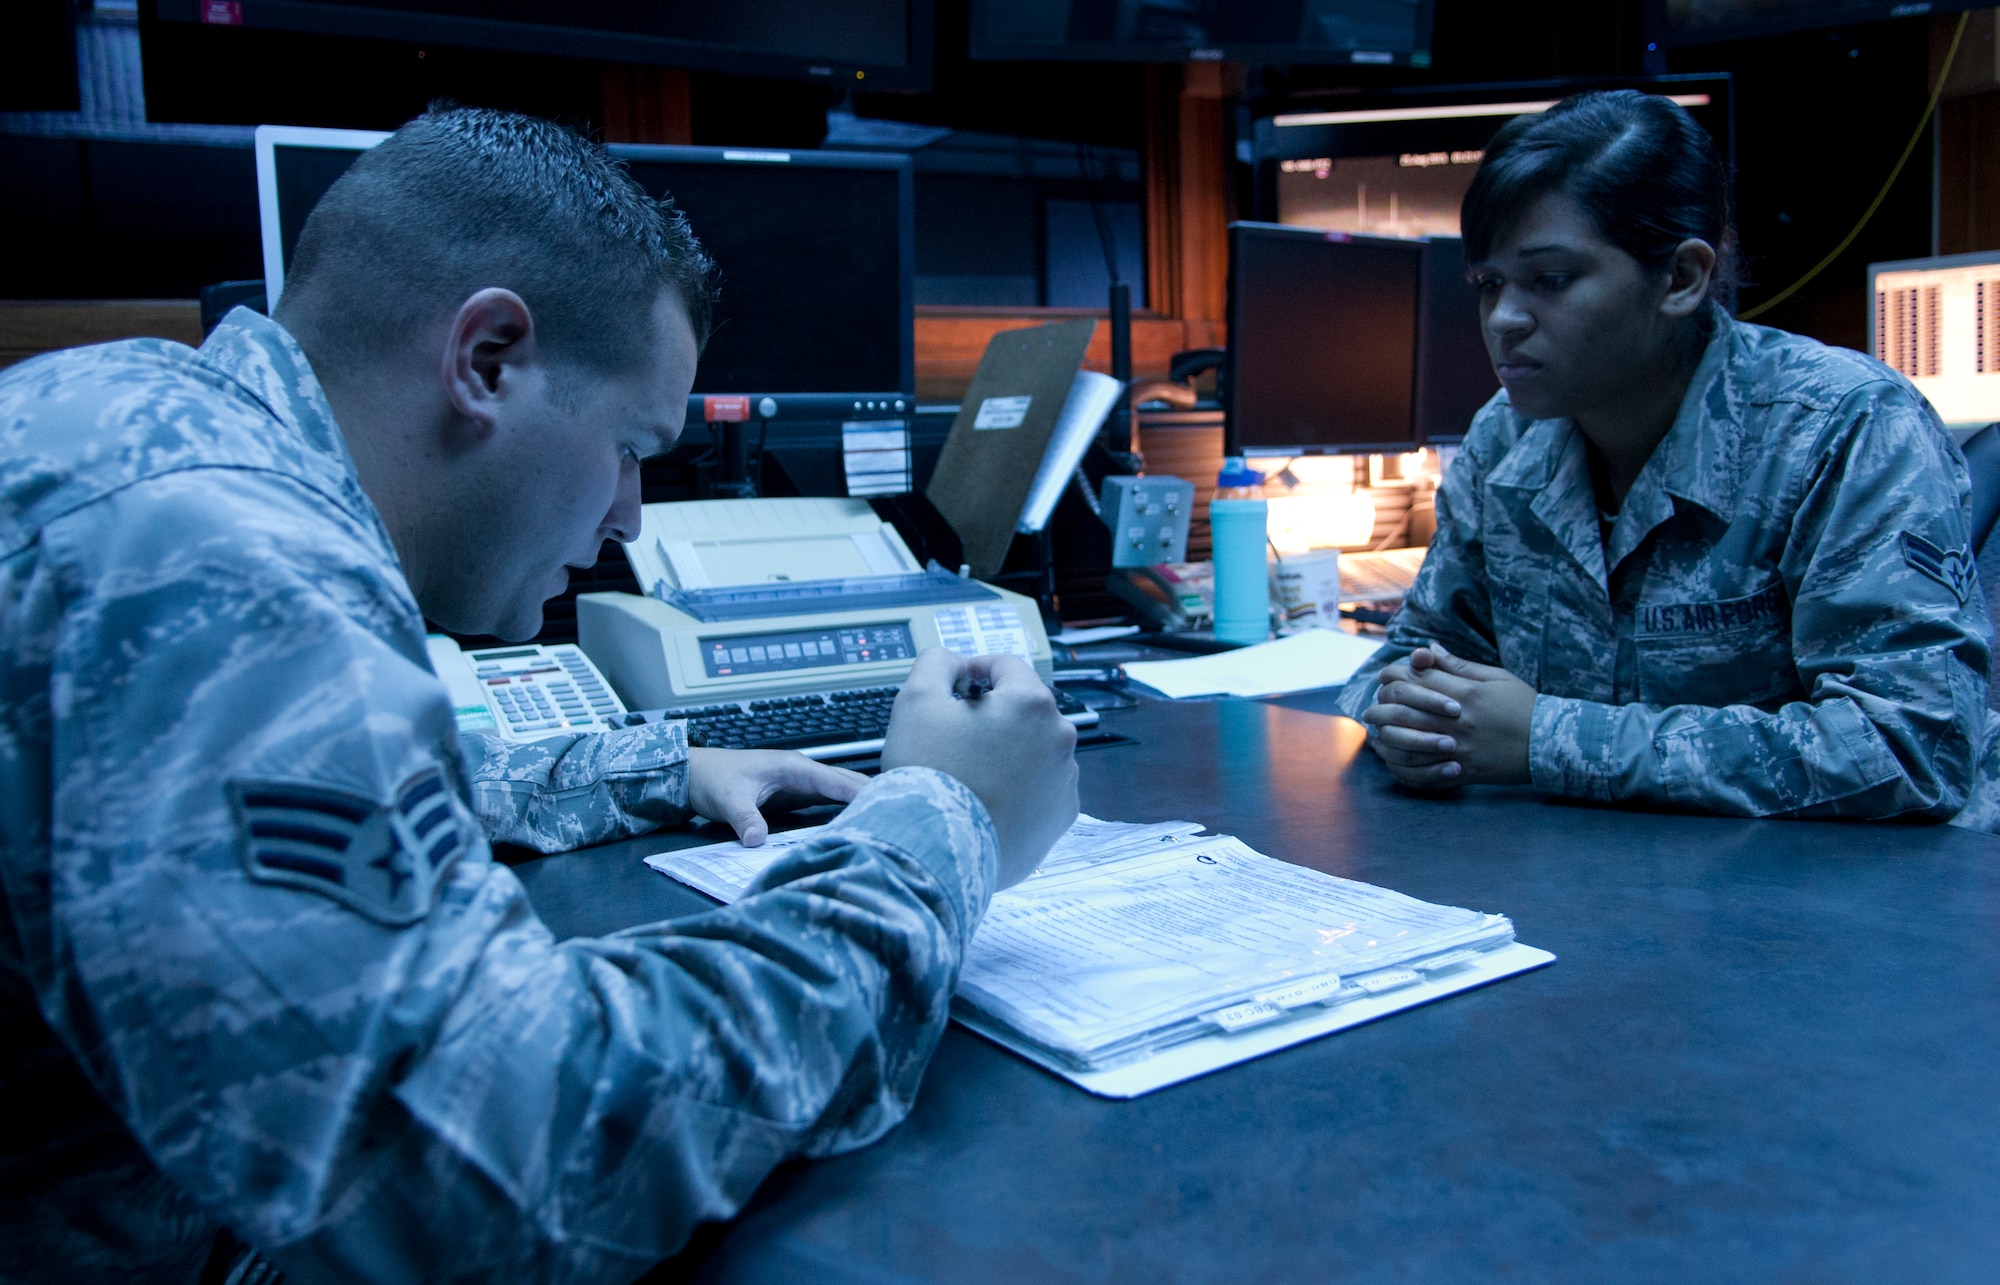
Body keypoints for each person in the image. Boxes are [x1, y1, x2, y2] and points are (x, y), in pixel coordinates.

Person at [0, 107, 1080, 1282]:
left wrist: (654, 768)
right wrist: (935, 827)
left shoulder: (152, 442)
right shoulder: (217, 546)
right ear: (487, 359)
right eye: (628, 445)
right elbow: (496, 1168)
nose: (625, 518)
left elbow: (254, 810)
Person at [1337, 90, 1991, 822]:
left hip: (1827, 908)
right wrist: (1409, 718)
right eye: (1489, 285)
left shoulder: (1843, 428)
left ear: (1681, 278)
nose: (1503, 319)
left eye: (1549, 279)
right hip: (1590, 890)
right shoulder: (1505, 441)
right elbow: (1403, 662)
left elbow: (1912, 746)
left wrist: (1548, 738)